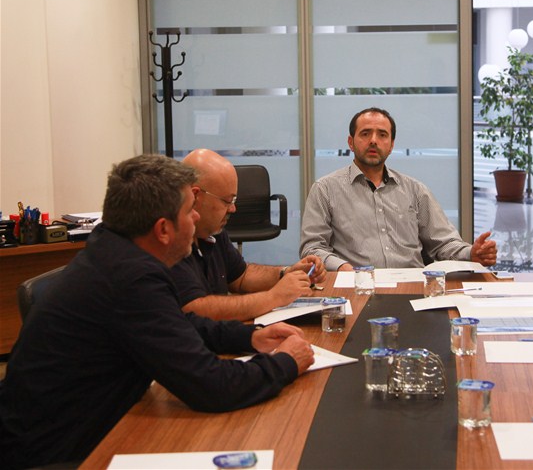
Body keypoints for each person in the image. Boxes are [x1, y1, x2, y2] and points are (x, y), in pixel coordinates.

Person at [0, 155, 315, 469]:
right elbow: (212, 386)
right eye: (189, 211)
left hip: (84, 430)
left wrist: (250, 337)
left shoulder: (114, 251)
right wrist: (286, 362)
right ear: (163, 229)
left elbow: (179, 325)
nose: (196, 217)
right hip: (61, 454)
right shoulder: (130, 279)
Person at [300, 107, 497, 270]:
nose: (373, 140)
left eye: (382, 135)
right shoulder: (325, 189)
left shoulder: (415, 190)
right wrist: (342, 267)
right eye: (365, 133)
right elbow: (312, 248)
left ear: (391, 145)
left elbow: (443, 243)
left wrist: (471, 253)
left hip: (413, 287)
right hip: (356, 286)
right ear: (351, 142)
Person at [171, 149, 326, 321]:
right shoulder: (171, 241)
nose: (233, 209)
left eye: (234, 201)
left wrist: (286, 272)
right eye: (227, 200)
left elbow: (241, 276)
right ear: (195, 196)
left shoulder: (212, 230)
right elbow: (195, 309)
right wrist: (274, 297)